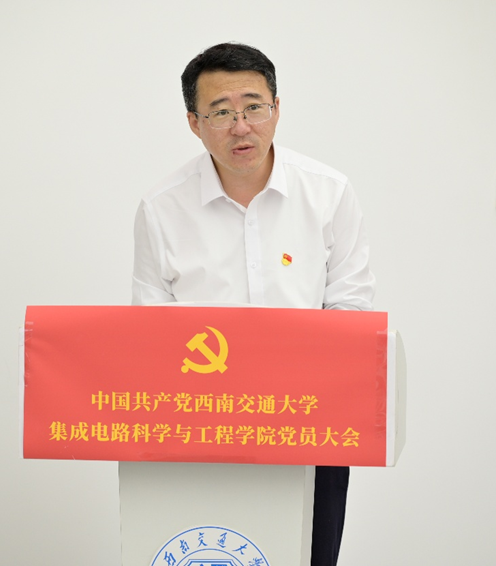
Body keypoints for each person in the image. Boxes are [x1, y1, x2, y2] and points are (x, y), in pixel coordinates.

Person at [132, 42, 375, 566]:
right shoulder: (161, 209)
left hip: (310, 420)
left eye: (254, 107)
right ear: (194, 124)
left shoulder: (329, 192)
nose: (241, 126)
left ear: (277, 109)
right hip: (205, 428)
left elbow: (351, 306)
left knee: (312, 554)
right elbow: (150, 329)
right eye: (221, 112)